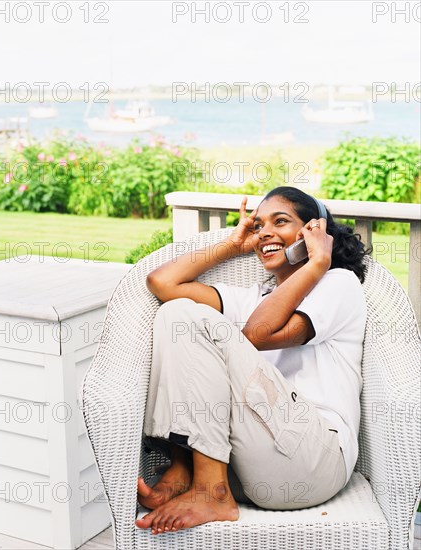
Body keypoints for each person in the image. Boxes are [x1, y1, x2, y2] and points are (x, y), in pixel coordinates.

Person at [135, 186, 370, 535]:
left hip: (313, 461)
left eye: (281, 221)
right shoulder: (254, 298)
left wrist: (318, 262)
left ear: (314, 232)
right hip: (250, 467)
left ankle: (211, 492)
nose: (265, 233)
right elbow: (162, 282)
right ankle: (187, 466)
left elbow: (258, 333)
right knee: (178, 314)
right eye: (259, 225)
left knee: (196, 319)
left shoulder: (338, 284)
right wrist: (232, 245)